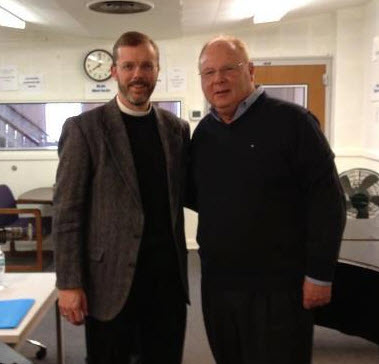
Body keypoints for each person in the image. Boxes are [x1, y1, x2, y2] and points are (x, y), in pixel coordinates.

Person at [188, 35, 346, 364]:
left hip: (279, 289)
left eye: (228, 69)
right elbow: (203, 197)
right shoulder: (204, 133)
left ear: (251, 70)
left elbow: (327, 201)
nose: (218, 80)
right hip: (219, 286)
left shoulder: (294, 123)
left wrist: (319, 274)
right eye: (208, 72)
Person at [53, 31, 190, 364]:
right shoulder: (85, 129)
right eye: (128, 66)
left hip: (166, 283)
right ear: (115, 71)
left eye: (146, 66)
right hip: (109, 283)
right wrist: (69, 283)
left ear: (158, 71)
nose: (137, 75)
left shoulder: (177, 129)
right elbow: (67, 213)